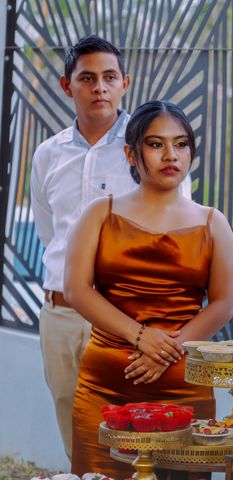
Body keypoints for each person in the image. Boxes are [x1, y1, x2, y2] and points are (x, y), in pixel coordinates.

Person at [63, 100, 233, 477]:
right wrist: (139, 335)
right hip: (106, 385)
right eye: (156, 144)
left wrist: (166, 351)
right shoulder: (100, 213)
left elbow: (224, 304)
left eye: (181, 144)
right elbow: (77, 289)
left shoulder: (213, 222)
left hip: (183, 387)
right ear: (130, 152)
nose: (171, 155)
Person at [29, 35, 134, 459]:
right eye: (87, 78)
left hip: (122, 316)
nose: (99, 88)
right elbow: (49, 232)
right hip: (60, 316)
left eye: (109, 77)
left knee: (127, 435)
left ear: (125, 82)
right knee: (75, 433)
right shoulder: (47, 155)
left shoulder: (144, 149)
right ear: (66, 85)